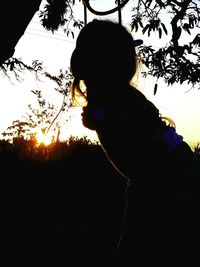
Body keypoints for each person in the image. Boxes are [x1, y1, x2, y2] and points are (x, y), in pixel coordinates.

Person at [70, 18, 200, 266]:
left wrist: (99, 117)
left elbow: (134, 125)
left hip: (167, 172)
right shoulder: (108, 97)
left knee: (150, 243)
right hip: (153, 175)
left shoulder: (124, 99)